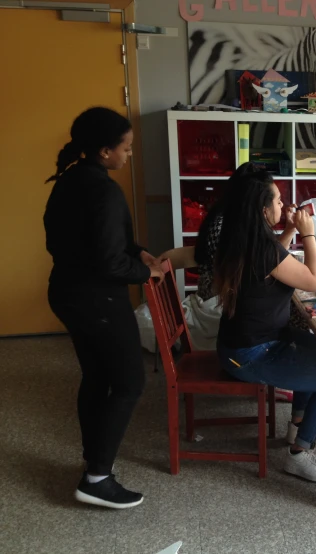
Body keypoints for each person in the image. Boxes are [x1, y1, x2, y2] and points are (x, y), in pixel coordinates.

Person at [44, 107, 163, 508]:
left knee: (96, 376)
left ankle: (92, 461)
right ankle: (97, 477)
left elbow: (96, 242)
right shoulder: (103, 191)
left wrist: (140, 254)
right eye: (125, 148)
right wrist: (148, 274)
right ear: (104, 150)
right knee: (129, 383)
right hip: (97, 300)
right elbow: (110, 262)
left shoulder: (70, 181)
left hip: (67, 292)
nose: (128, 155)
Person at [213, 168, 316, 483]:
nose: (283, 207)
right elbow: (315, 281)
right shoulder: (260, 248)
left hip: (246, 343)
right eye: (278, 201)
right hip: (252, 353)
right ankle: (299, 452)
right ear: (262, 209)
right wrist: (309, 233)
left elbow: (273, 259)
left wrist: (291, 231)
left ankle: (298, 421)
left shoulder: (243, 236)